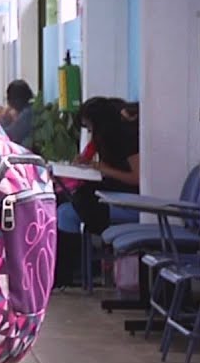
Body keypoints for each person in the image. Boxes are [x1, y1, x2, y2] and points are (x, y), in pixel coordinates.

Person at [54, 96, 141, 287]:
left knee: (70, 210)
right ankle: (70, 272)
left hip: (131, 202)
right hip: (112, 196)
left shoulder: (127, 139)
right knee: (65, 208)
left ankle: (72, 272)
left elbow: (137, 178)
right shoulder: (105, 139)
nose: (91, 132)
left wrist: (104, 169)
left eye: (90, 127)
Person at [1, 79, 36, 148]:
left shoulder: (28, 113)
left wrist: (4, 119)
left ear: (17, 100)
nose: (9, 103)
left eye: (10, 99)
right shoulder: (30, 109)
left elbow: (9, 135)